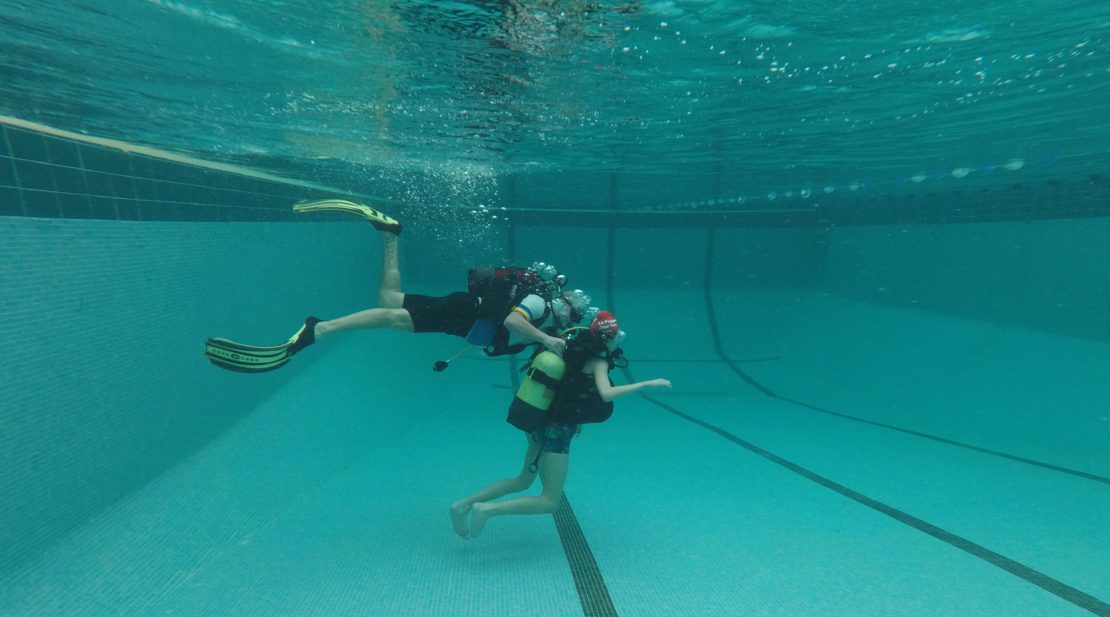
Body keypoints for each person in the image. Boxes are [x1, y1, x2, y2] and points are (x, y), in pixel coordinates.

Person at [204, 199, 592, 373]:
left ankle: (389, 236)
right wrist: (546, 340)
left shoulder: (542, 306)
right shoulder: (541, 307)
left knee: (388, 300)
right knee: (390, 316)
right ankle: (317, 329)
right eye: (568, 319)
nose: (563, 326)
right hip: (461, 313)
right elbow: (512, 323)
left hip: (463, 309)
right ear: (566, 309)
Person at [449, 310, 671, 539]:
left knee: (523, 480)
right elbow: (606, 393)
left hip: (541, 420)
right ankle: (486, 510)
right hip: (557, 431)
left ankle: (461, 505)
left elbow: (571, 386)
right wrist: (645, 384)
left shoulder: (573, 347)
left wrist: (578, 417)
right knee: (550, 501)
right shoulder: (598, 360)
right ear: (609, 338)